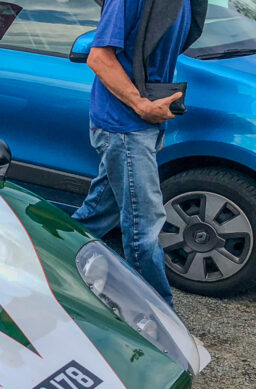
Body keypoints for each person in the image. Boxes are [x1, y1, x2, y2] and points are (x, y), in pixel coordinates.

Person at [74, 0, 207, 307]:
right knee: (143, 229)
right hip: (124, 126)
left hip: (143, 123)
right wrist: (141, 104)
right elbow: (99, 57)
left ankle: (48, 270)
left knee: (94, 218)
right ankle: (158, 316)